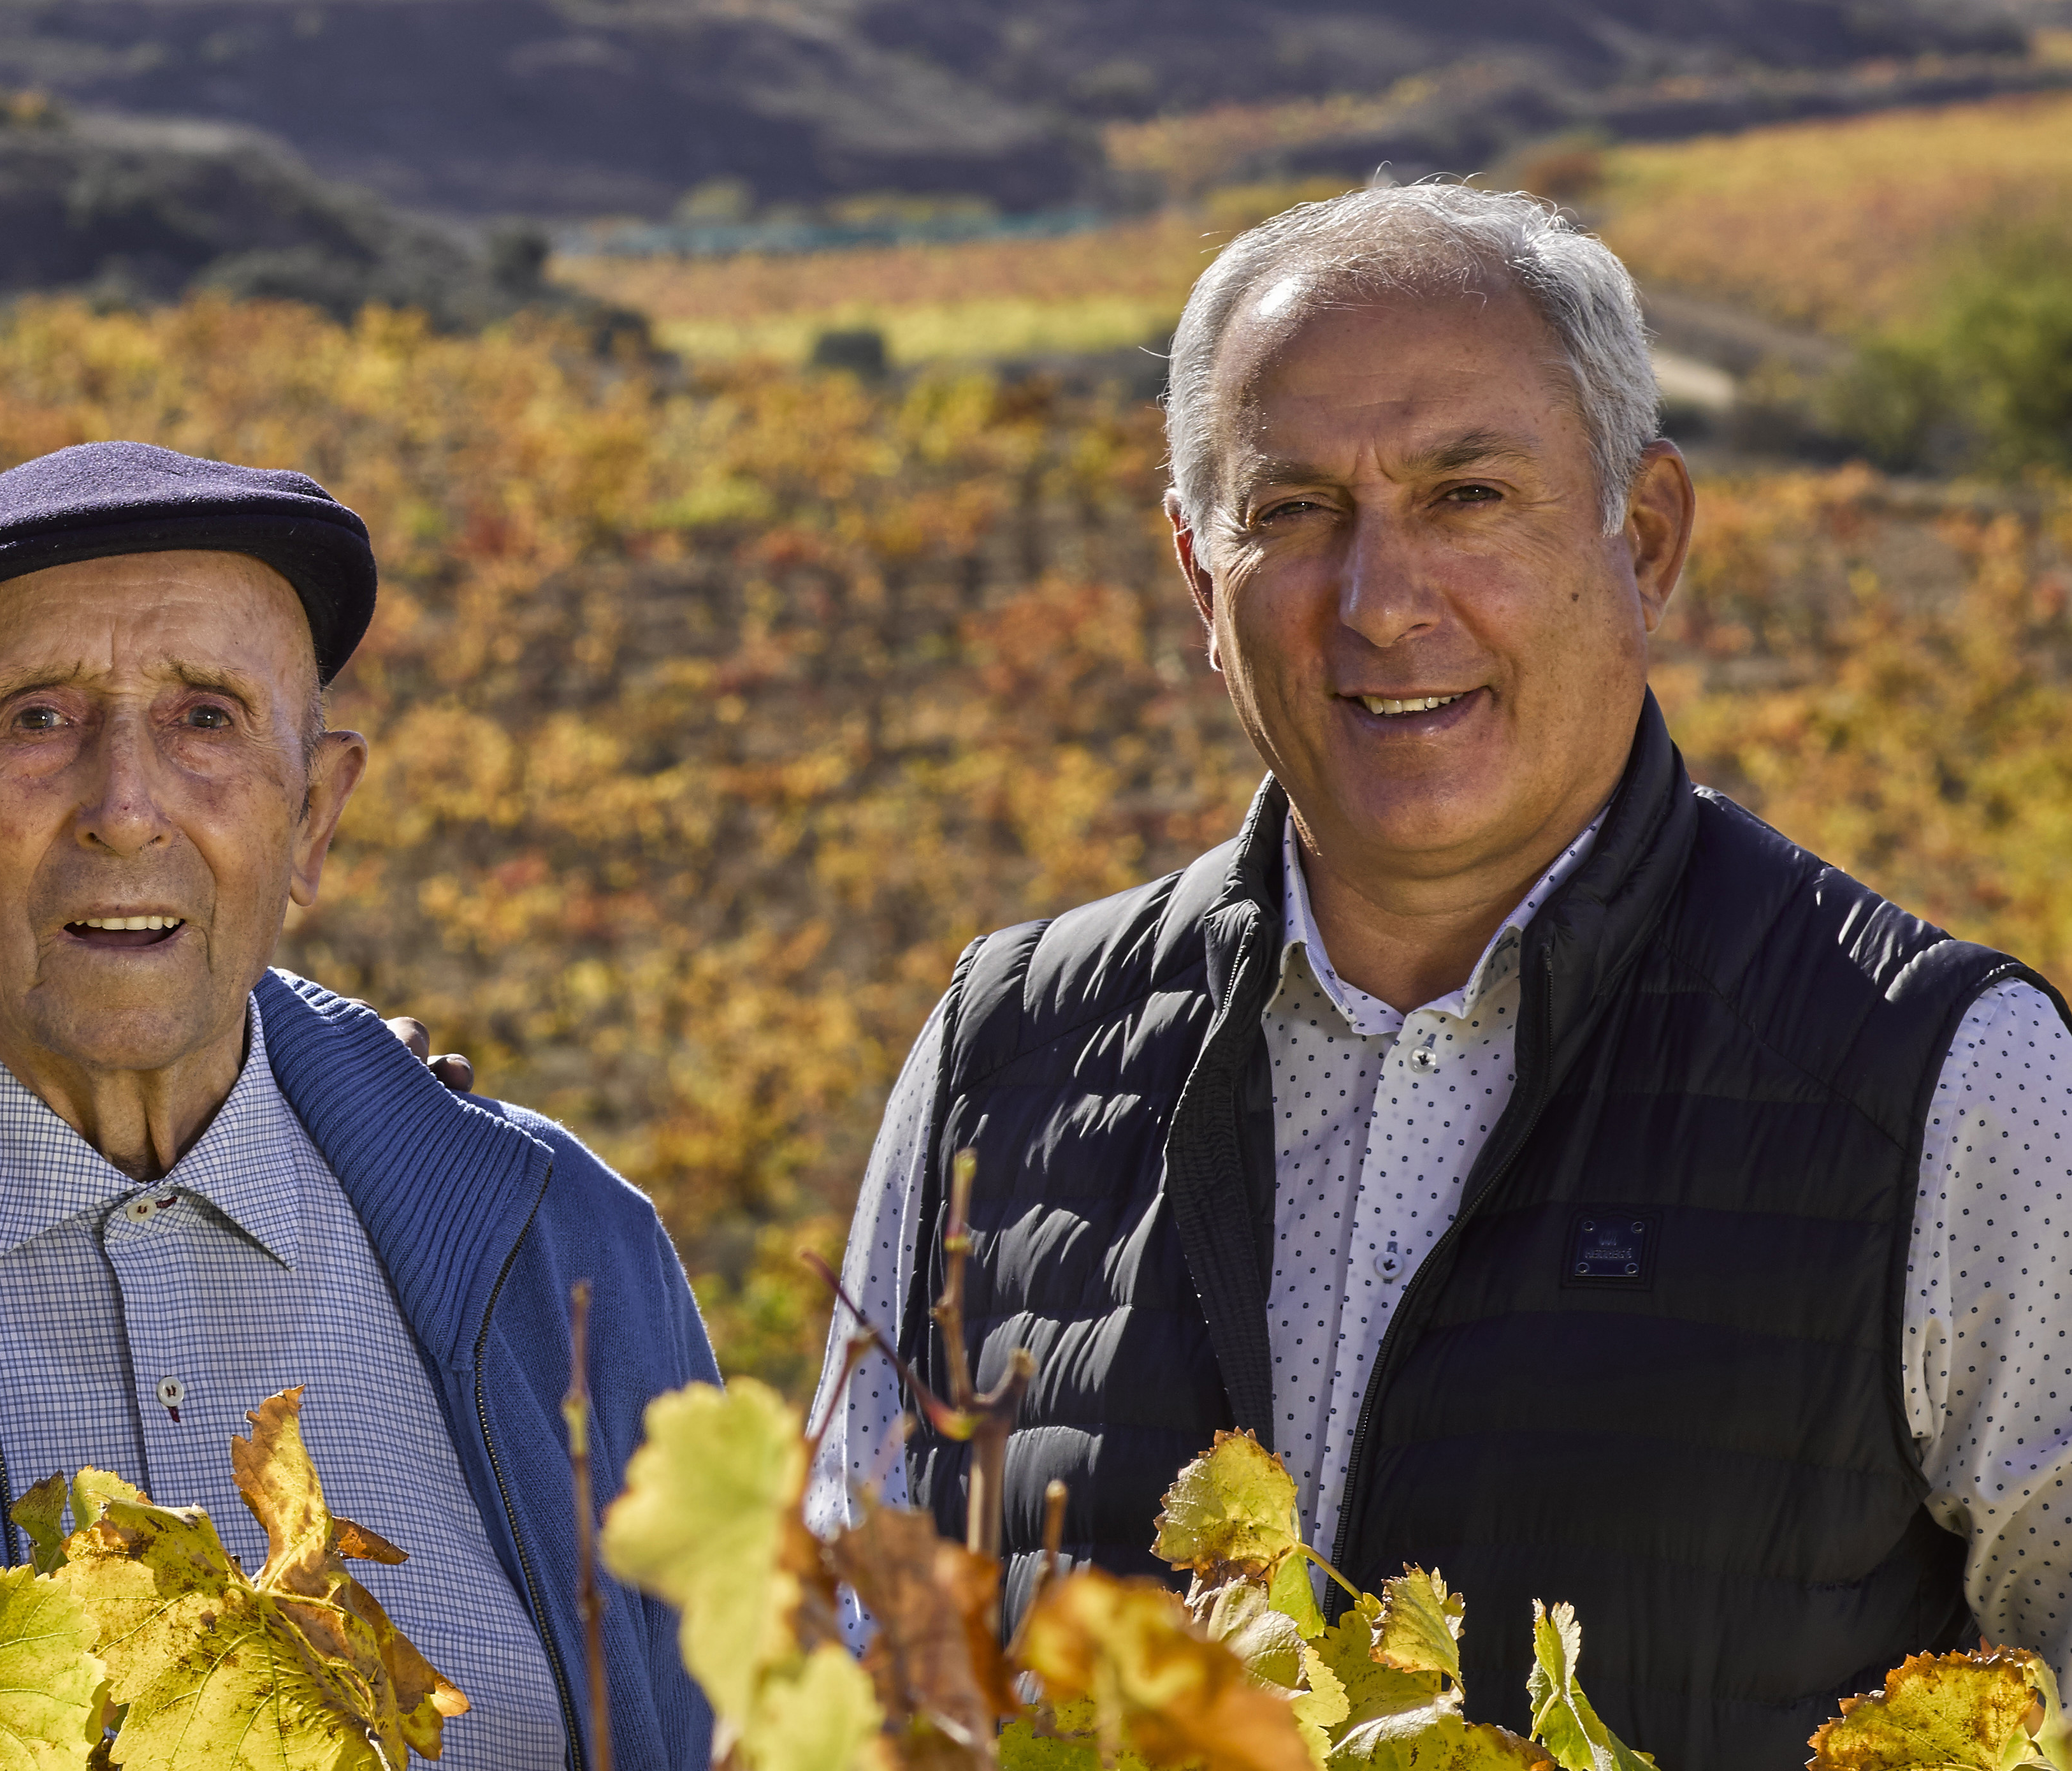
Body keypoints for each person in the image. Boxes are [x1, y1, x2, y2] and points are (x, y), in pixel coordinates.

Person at [805, 184, 2072, 1770]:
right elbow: (851, 1668)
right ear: (1203, 584)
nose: (1381, 601)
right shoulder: (1004, 1054)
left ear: (1647, 536)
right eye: (1298, 511)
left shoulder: (1947, 1082)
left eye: (1468, 495)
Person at [0, 442, 714, 1770]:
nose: (125, 811)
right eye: (40, 719)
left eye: (207, 720)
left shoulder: (571, 1256)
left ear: (315, 813)